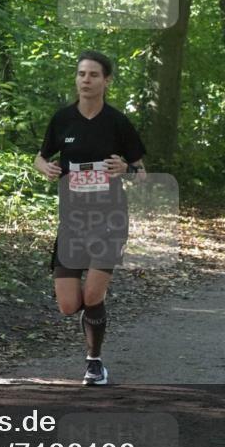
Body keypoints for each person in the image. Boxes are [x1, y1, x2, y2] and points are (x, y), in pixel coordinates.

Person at [34, 51, 146, 385]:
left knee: (93, 296)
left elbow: (142, 172)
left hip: (109, 220)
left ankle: (94, 362)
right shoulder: (63, 119)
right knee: (69, 305)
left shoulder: (117, 122)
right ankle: (91, 328)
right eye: (81, 74)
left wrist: (126, 168)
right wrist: (48, 169)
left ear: (106, 81)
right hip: (73, 222)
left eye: (94, 75)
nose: (86, 80)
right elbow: (40, 158)